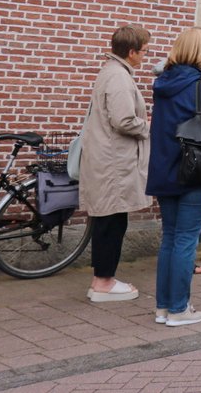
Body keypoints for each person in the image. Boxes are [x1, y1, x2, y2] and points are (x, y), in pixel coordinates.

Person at [146, 27, 201, 327]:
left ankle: (164, 307)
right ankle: (180, 309)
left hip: (164, 171)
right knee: (185, 240)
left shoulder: (162, 85)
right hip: (195, 172)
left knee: (170, 238)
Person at [79, 24, 152, 303]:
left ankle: (103, 279)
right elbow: (123, 120)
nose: (145, 56)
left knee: (109, 220)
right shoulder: (119, 77)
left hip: (107, 159)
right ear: (131, 51)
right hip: (113, 163)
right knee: (112, 221)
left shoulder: (110, 71)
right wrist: (146, 126)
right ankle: (104, 283)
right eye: (143, 51)